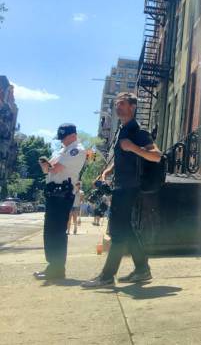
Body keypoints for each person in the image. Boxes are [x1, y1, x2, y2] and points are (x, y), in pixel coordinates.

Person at [82, 92, 162, 288]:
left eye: (122, 104)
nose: (118, 107)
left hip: (129, 187)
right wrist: (107, 171)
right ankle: (142, 270)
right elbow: (122, 157)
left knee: (118, 232)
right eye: (116, 104)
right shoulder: (122, 130)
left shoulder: (137, 131)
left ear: (132, 107)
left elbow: (157, 156)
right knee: (126, 229)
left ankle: (107, 276)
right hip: (120, 185)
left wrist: (134, 147)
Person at [33, 123, 87, 280]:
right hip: (53, 193)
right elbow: (47, 170)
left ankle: (57, 268)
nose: (62, 141)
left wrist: (49, 166)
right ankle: (53, 266)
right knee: (50, 231)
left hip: (62, 194)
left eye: (64, 137)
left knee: (56, 232)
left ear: (73, 135)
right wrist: (46, 165)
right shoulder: (62, 150)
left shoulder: (77, 149)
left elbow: (55, 168)